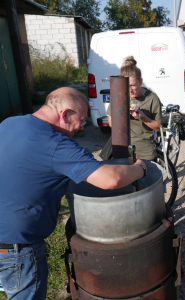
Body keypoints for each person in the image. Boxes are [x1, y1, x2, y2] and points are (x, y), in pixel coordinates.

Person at [0, 87, 146, 300]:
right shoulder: (55, 145)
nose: (81, 127)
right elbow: (112, 179)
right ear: (66, 114)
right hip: (17, 250)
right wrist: (141, 168)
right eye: (82, 119)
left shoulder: (9, 123)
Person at [107, 56, 162, 161]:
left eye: (133, 85)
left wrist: (143, 117)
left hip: (144, 151)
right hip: (122, 149)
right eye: (125, 86)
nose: (129, 90)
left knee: (147, 176)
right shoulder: (119, 96)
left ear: (141, 82)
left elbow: (157, 127)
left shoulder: (151, 98)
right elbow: (111, 124)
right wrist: (121, 113)